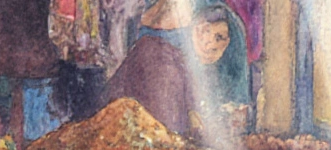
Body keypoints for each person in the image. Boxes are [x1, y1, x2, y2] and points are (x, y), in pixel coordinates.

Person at [104, 2, 251, 138]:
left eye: (219, 38)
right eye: (202, 31)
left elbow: (237, 113)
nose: (208, 42)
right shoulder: (157, 51)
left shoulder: (227, 27)